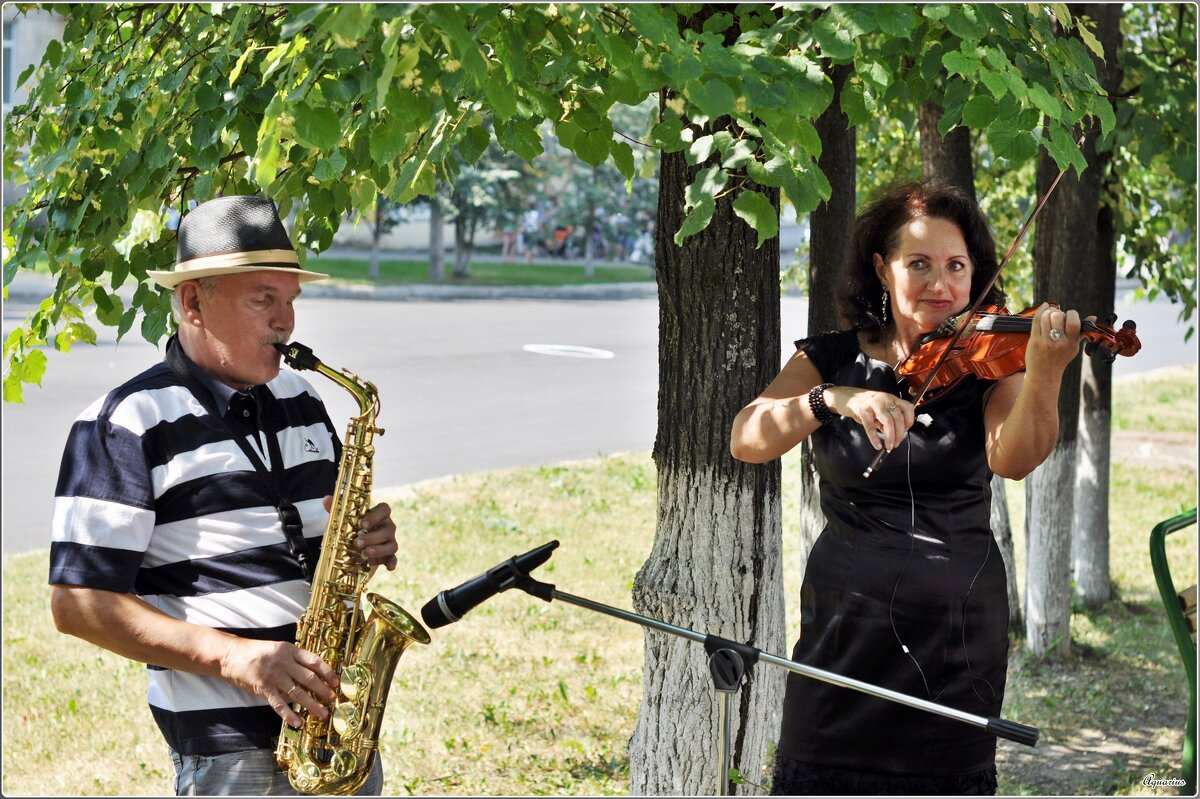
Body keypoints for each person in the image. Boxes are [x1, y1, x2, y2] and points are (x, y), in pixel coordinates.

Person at [730, 180, 1086, 795]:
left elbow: (1013, 459)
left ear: (975, 276)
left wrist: (1045, 373)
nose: (938, 284)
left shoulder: (989, 364)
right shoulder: (832, 358)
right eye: (917, 263)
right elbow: (747, 437)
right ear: (881, 267)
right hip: (844, 633)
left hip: (955, 639)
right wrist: (831, 399)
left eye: (956, 266)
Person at [48, 195, 401, 796]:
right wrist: (237, 658)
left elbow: (319, 546)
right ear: (193, 302)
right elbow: (77, 603)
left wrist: (364, 541)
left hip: (338, 733)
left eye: (290, 301)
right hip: (232, 752)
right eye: (264, 299)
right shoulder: (125, 423)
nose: (286, 323)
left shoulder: (303, 402)